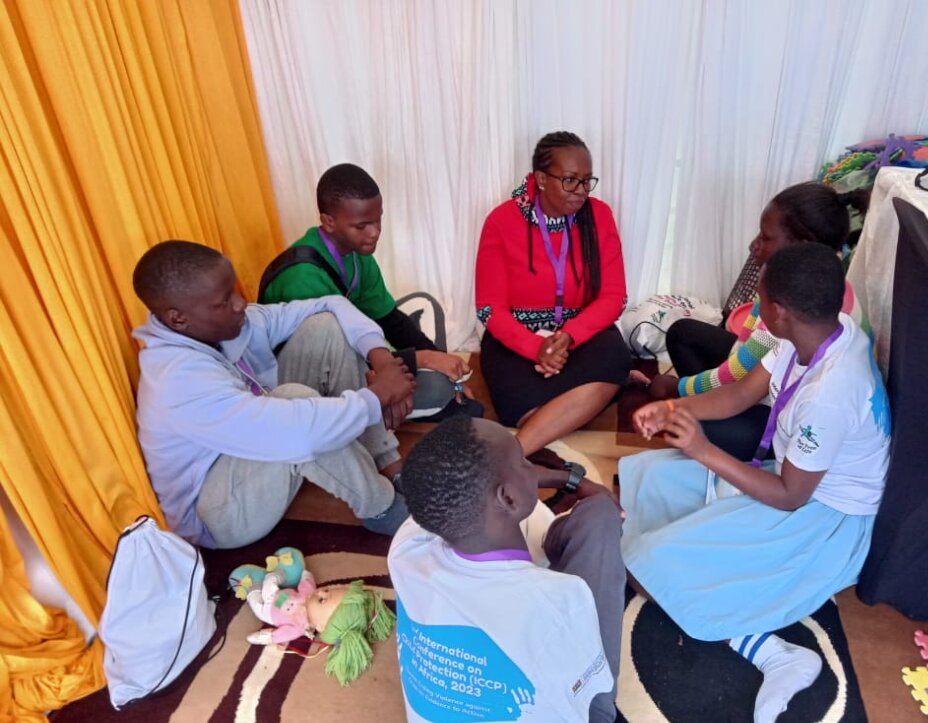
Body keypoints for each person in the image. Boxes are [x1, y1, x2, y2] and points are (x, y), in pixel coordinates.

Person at [621, 243, 891, 723]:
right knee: (649, 476)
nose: (755, 309)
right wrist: (673, 412)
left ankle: (777, 655)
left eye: (761, 300)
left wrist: (704, 451)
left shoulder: (833, 392)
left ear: (780, 312)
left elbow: (790, 496)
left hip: (823, 520)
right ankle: (701, 556)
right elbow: (741, 394)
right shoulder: (811, 334)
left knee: (645, 570)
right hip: (791, 478)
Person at [132, 240, 416, 549]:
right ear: (178, 319)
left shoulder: (224, 325)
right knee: (293, 402)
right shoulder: (176, 380)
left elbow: (330, 303)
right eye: (224, 301)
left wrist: (382, 359)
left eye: (235, 290)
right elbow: (299, 433)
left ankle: (385, 462)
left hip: (254, 440)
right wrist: (378, 397)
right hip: (218, 513)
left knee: (326, 329)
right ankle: (381, 508)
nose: (241, 303)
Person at [388, 416, 626, 723]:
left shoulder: (406, 550)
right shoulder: (560, 601)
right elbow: (586, 698)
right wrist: (577, 482)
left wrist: (545, 477)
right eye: (524, 461)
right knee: (601, 517)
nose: (532, 466)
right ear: (508, 497)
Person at [640, 182, 871, 460]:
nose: (754, 244)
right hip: (760, 384)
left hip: (780, 420)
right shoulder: (802, 280)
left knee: (689, 426)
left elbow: (736, 374)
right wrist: (684, 400)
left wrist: (675, 391)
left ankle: (742, 440)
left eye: (766, 237)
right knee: (683, 335)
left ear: (800, 245)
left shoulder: (805, 314)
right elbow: (744, 358)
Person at [259, 163, 482, 420]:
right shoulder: (301, 277)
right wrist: (424, 360)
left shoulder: (357, 255)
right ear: (329, 222)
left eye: (378, 219)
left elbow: (391, 320)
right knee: (443, 400)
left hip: (355, 359)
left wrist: (446, 367)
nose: (375, 232)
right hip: (304, 385)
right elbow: (337, 360)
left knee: (449, 394)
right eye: (362, 225)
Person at [475, 131, 631, 459]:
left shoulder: (599, 216)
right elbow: (490, 309)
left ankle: (511, 456)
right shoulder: (501, 221)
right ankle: (580, 406)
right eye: (570, 181)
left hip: (579, 335)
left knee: (614, 356)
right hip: (517, 339)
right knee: (523, 407)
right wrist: (536, 349)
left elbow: (614, 296)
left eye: (588, 181)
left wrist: (568, 338)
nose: (581, 192)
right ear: (541, 179)